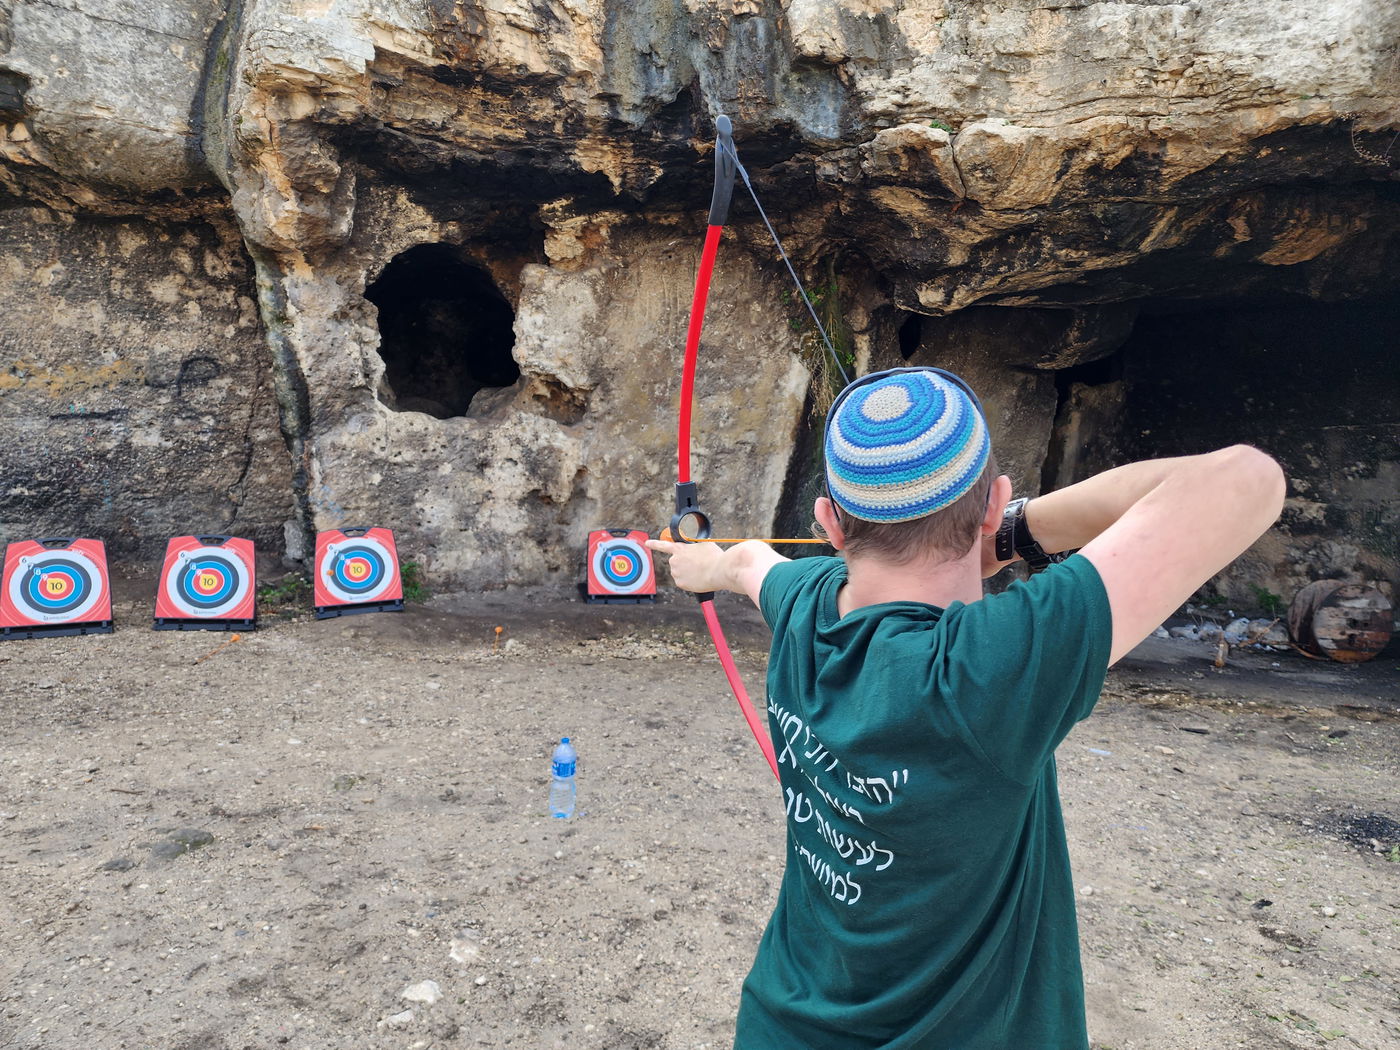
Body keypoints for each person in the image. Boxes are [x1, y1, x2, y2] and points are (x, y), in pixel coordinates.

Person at [646, 367, 1285, 1050]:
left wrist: (699, 566)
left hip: (783, 1026)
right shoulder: (987, 665)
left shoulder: (805, 601)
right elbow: (1249, 478)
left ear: (829, 522)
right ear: (993, 503)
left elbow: (747, 564)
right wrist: (1011, 533)